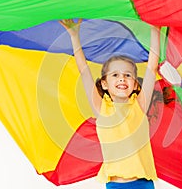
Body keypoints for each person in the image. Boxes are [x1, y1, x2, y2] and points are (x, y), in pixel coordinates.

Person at [59, 19, 160, 189]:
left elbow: (151, 68)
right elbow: (84, 71)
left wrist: (154, 30)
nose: (122, 78)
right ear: (105, 84)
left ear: (135, 85)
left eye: (128, 75)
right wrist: (75, 36)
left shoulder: (140, 104)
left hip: (142, 184)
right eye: (115, 75)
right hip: (115, 185)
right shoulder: (101, 108)